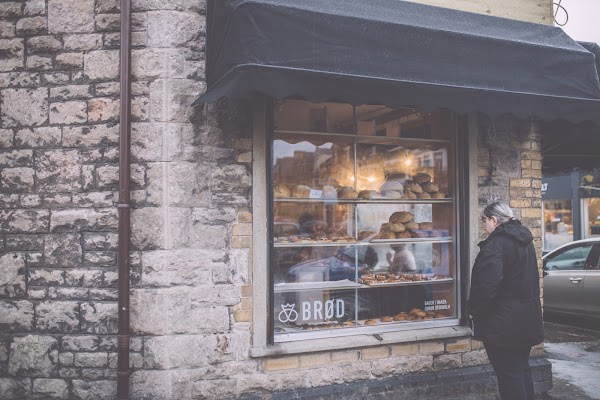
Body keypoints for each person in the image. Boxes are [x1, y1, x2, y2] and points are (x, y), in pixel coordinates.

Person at [468, 201, 544, 400]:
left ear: (494, 220)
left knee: (509, 375)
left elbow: (485, 288)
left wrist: (475, 313)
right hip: (525, 319)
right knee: (521, 370)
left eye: (484, 220)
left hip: (502, 324)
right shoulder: (525, 240)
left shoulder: (495, 245)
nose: (484, 224)